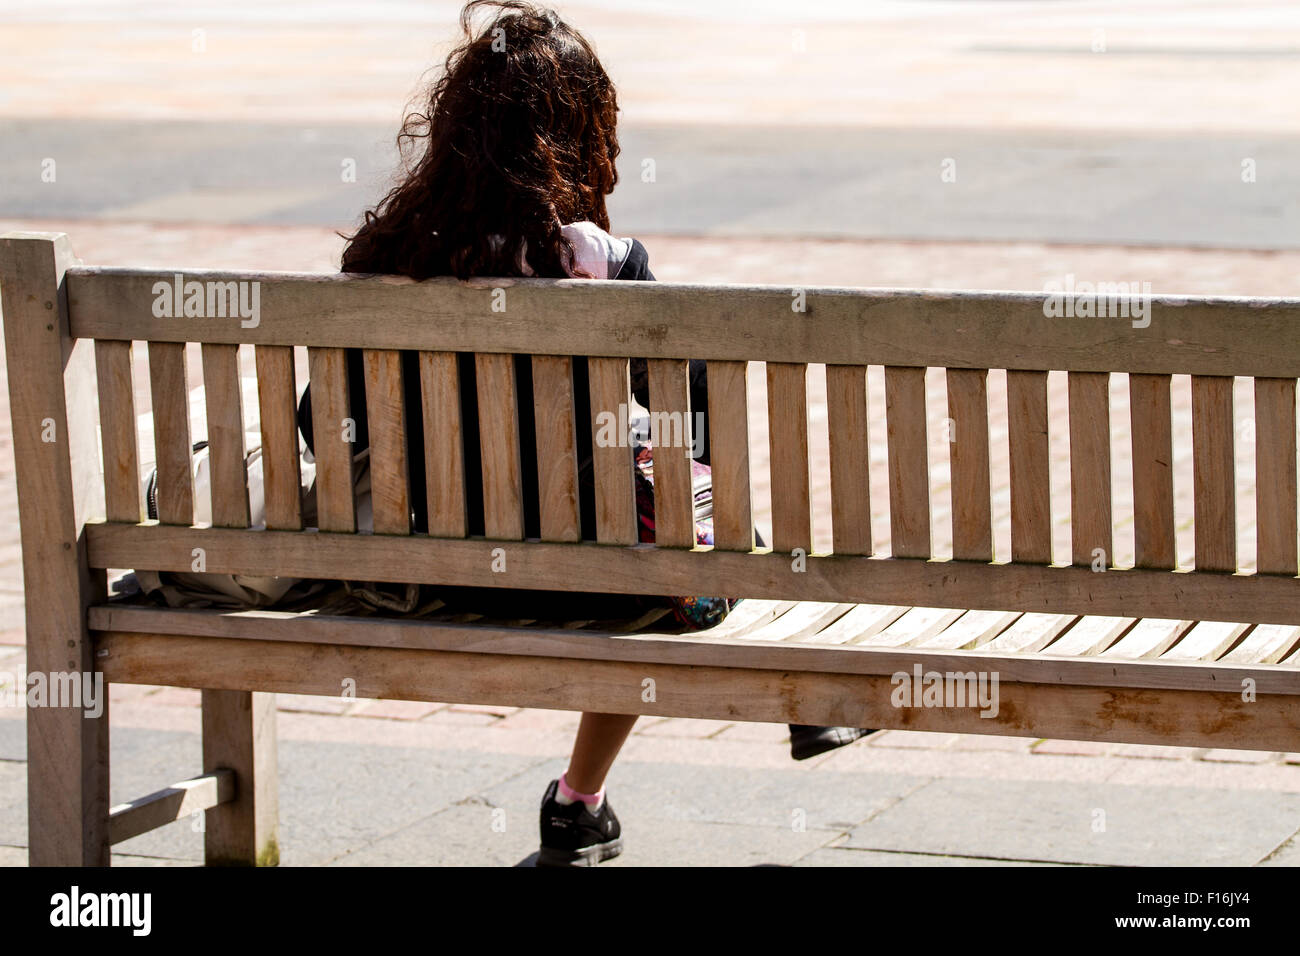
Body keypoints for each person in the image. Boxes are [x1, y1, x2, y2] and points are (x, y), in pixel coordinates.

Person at [299, 0, 872, 867]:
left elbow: (321, 429)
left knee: (655, 521)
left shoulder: (385, 256)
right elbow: (699, 432)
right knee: (692, 520)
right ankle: (789, 700)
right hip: (596, 584)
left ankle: (582, 809)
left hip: (415, 576)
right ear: (577, 133)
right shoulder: (601, 262)